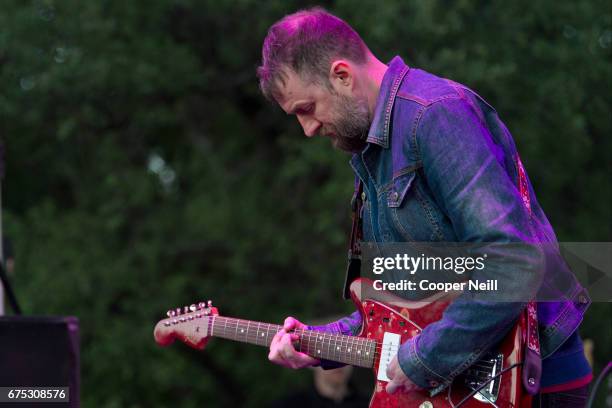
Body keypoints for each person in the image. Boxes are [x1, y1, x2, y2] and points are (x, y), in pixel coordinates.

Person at [257, 8, 592, 407]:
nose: (307, 129)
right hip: (470, 380)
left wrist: (424, 358)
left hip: (526, 381)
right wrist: (319, 344)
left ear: (342, 76)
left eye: (306, 108)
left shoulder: (434, 116)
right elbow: (406, 305)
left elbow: (513, 260)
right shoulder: (374, 148)